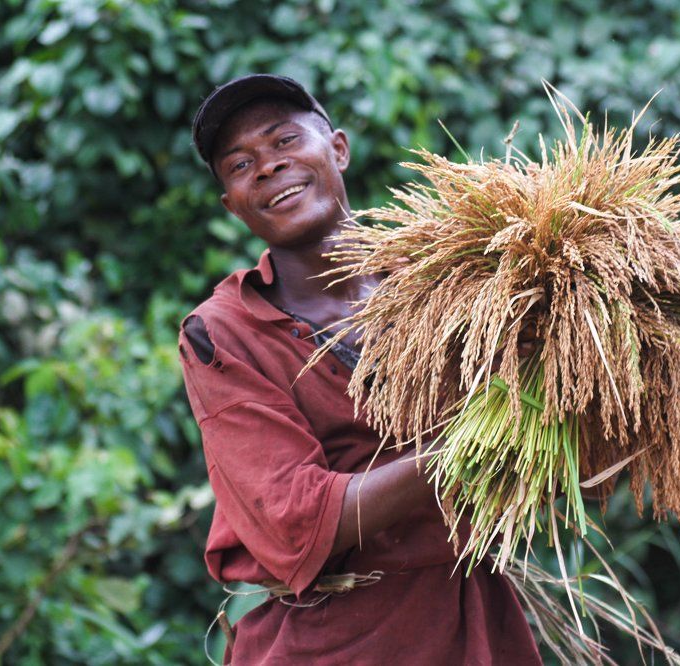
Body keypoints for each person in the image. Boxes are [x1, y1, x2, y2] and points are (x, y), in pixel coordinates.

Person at [178, 74, 542, 664]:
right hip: (328, 640)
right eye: (240, 165)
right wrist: (474, 439)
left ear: (339, 149)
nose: (268, 167)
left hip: (473, 620)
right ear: (232, 205)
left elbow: (551, 458)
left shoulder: (443, 279)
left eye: (284, 141)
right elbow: (296, 519)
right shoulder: (223, 334)